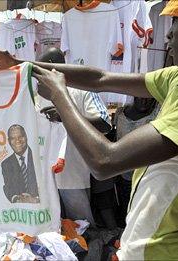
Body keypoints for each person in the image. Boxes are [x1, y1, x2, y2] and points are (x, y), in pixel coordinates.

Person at [0, 1, 178, 259]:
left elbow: (106, 161)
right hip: (154, 241)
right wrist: (24, 66)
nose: (168, 34)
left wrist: (61, 96)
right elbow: (101, 79)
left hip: (168, 251)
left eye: (176, 20)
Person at [37, 48, 112, 226]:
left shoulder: (82, 90)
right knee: (53, 228)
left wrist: (65, 114)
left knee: (82, 227)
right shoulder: (37, 94)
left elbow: (104, 122)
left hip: (73, 174)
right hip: (45, 178)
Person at [113, 97, 160, 227]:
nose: (144, 102)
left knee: (143, 208)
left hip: (146, 174)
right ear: (134, 96)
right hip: (124, 171)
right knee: (126, 204)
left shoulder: (157, 114)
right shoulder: (121, 112)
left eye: (148, 99)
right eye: (140, 97)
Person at [1, 124, 39, 204]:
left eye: (20, 136)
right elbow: (8, 188)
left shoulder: (38, 156)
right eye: (13, 138)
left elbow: (47, 184)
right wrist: (16, 199)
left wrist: (36, 199)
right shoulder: (6, 164)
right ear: (9, 141)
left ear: (26, 137)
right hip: (21, 211)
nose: (17, 141)